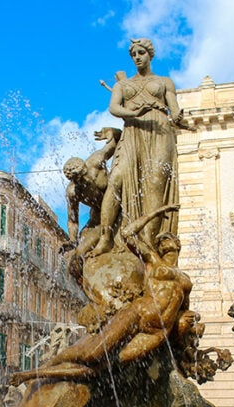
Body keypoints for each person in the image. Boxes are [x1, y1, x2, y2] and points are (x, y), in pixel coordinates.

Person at [10, 204, 190, 385]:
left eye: (168, 239)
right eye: (162, 240)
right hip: (138, 313)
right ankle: (38, 371)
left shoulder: (185, 280)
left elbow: (183, 307)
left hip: (158, 332)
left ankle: (33, 376)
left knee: (100, 368)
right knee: (92, 354)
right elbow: (127, 234)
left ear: (178, 244)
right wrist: (156, 211)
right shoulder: (153, 260)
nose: (165, 242)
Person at [89, 38, 185, 257]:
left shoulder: (165, 82)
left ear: (150, 54)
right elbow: (113, 107)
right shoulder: (123, 85)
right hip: (132, 132)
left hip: (159, 131)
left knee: (155, 186)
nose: (137, 57)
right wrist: (132, 114)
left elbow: (174, 109)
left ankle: (149, 248)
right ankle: (105, 239)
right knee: (116, 179)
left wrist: (178, 116)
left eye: (141, 52)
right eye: (134, 54)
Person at [64, 127, 122, 266]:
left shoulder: (97, 159)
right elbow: (73, 220)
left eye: (84, 177)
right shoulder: (73, 192)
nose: (84, 182)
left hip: (121, 204)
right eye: (78, 181)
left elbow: (118, 141)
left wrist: (111, 132)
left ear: (86, 169)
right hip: (98, 218)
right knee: (79, 255)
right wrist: (72, 240)